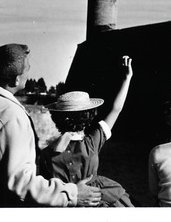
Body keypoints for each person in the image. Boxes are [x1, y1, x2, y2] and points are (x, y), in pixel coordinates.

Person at [0, 43, 102, 207]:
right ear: (16, 79)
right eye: (27, 70)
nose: (28, 74)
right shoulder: (11, 116)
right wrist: (71, 194)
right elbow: (20, 183)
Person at [40, 55, 134, 207]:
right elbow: (116, 109)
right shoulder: (92, 141)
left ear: (57, 118)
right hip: (96, 200)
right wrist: (127, 78)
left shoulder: (46, 154)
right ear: (88, 116)